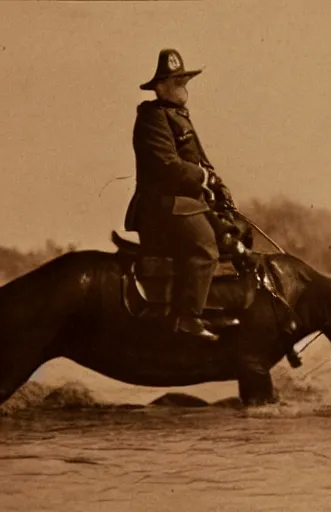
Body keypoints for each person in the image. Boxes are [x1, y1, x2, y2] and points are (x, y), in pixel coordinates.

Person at [124, 48, 237, 342]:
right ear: (160, 88)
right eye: (175, 82)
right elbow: (168, 165)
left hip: (186, 203)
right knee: (204, 248)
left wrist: (219, 184)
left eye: (183, 80)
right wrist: (203, 178)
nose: (181, 86)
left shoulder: (178, 116)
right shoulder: (152, 118)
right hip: (162, 206)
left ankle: (212, 308)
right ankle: (188, 318)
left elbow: (201, 160)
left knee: (234, 237)